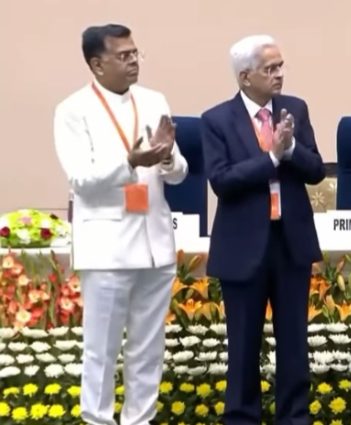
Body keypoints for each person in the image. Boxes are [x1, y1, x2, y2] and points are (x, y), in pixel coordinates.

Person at [52, 24, 188, 425]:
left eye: (135, 54)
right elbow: (81, 180)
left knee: (148, 349)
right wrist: (130, 162)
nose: (133, 62)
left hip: (155, 244)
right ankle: (97, 420)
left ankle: (139, 420)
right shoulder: (73, 109)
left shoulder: (154, 100)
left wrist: (167, 157)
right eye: (123, 55)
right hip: (108, 249)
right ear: (97, 64)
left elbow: (179, 172)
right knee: (102, 351)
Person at [200, 34, 326, 425]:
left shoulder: (295, 109)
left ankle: (294, 417)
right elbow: (222, 181)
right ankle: (242, 417)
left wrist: (291, 150)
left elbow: (316, 170)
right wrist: (272, 157)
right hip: (242, 246)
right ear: (245, 77)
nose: (279, 74)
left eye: (280, 66)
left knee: (294, 342)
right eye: (269, 69)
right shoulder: (216, 120)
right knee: (243, 344)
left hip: (290, 242)